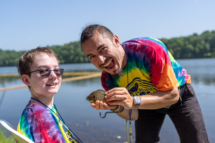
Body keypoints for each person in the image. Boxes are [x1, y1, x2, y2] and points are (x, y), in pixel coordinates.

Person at [80, 24, 209, 143]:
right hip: (143, 101)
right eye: (92, 57)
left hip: (178, 93)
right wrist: (114, 106)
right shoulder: (107, 79)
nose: (101, 60)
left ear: (116, 41)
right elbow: (133, 115)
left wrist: (133, 101)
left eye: (103, 49)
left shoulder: (149, 50)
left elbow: (172, 96)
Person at [16, 47, 82, 143]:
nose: (54, 76)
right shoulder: (41, 118)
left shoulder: (41, 109)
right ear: (26, 80)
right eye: (43, 71)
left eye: (56, 69)